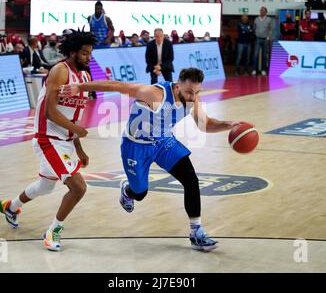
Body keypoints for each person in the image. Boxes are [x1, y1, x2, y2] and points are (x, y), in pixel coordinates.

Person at [59, 68, 240, 252]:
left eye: (196, 92)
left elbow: (205, 125)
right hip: (136, 146)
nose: (193, 97)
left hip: (163, 142)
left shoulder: (193, 98)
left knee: (191, 180)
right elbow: (117, 85)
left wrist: (228, 125)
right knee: (140, 193)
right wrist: (80, 87)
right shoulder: (154, 94)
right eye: (189, 92)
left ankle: (196, 231)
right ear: (177, 86)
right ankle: (128, 191)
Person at [0, 29, 96, 252]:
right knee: (78, 187)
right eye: (84, 53)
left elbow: (74, 115)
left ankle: (11, 207)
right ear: (72, 52)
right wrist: (77, 130)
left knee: (45, 186)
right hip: (47, 138)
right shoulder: (59, 71)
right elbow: (50, 112)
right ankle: (53, 231)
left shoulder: (85, 76)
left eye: (90, 53)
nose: (88, 58)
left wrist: (78, 145)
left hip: (65, 140)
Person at [252, 6, 273, 76]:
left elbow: (271, 29)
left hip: (265, 39)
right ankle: (254, 69)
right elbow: (254, 28)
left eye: (263, 10)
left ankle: (263, 70)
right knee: (255, 55)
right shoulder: (256, 19)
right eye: (261, 10)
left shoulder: (269, 19)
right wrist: (255, 34)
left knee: (264, 55)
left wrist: (268, 37)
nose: (261, 11)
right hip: (258, 39)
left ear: (266, 12)